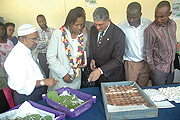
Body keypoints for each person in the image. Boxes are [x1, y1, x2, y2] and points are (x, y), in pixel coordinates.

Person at [4, 24, 58, 105]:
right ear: (22, 39)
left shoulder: (27, 50)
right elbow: (21, 85)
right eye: (34, 39)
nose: (37, 42)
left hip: (35, 92)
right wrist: (43, 82)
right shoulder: (16, 57)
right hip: (26, 97)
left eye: (37, 38)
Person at [47, 8, 87, 90]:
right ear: (70, 23)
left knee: (74, 99)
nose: (79, 27)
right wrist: (64, 74)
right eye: (76, 25)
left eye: (81, 25)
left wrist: (83, 62)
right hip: (59, 78)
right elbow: (51, 57)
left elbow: (80, 54)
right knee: (59, 100)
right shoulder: (58, 34)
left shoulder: (83, 36)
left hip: (76, 78)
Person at [88, 7, 125, 87]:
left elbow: (117, 60)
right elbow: (92, 47)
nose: (97, 27)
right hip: (97, 76)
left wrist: (100, 71)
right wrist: (92, 59)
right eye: (95, 24)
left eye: (100, 24)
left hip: (112, 76)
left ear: (108, 20)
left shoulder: (118, 34)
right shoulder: (93, 29)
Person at [143, 1, 177, 86]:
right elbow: (147, 51)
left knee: (169, 92)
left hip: (171, 68)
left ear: (169, 14)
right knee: (159, 94)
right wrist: (153, 68)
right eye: (156, 16)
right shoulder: (150, 30)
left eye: (162, 17)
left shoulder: (173, 24)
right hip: (158, 70)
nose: (158, 20)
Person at [118, 2, 151, 87]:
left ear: (140, 14)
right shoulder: (121, 27)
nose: (131, 20)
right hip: (130, 63)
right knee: (130, 89)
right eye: (129, 17)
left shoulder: (148, 24)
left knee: (143, 88)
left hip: (145, 62)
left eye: (134, 17)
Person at [74, 6, 94, 88]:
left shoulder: (91, 25)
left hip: (89, 58)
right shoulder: (73, 28)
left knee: (89, 82)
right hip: (77, 60)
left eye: (84, 15)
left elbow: (92, 45)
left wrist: (86, 33)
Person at [0, 22, 14, 113]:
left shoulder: (9, 42)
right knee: (6, 93)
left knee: (13, 89)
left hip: (12, 70)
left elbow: (14, 54)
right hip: (1, 72)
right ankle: (11, 110)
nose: (1, 31)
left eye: (2, 29)